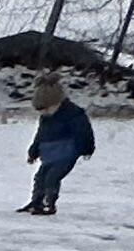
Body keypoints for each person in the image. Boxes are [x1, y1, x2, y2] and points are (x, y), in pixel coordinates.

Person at [23, 74, 96, 214]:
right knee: (40, 177)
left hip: (66, 154)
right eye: (41, 111)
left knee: (52, 177)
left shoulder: (74, 114)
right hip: (49, 155)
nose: (44, 113)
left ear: (57, 103)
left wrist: (87, 148)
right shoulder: (46, 118)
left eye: (46, 109)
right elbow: (40, 136)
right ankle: (36, 201)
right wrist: (33, 151)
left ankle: (49, 203)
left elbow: (84, 132)